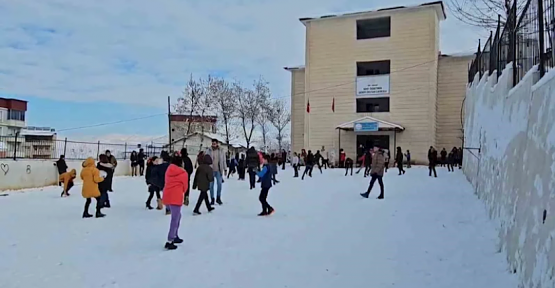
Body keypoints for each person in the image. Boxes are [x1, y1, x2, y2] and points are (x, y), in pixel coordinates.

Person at [162, 156, 188, 250]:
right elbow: (185, 186)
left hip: (167, 196)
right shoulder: (183, 172)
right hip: (176, 197)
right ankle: (170, 240)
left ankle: (175, 235)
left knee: (177, 216)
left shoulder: (169, 170)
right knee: (175, 219)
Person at [205, 139, 226, 205]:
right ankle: (212, 199)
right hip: (211, 170)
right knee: (211, 185)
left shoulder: (221, 150)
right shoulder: (208, 150)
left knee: (219, 184)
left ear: (217, 144)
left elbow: (223, 160)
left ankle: (218, 197)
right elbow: (206, 159)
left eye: (215, 143)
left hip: (218, 170)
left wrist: (225, 168)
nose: (213, 144)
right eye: (212, 143)